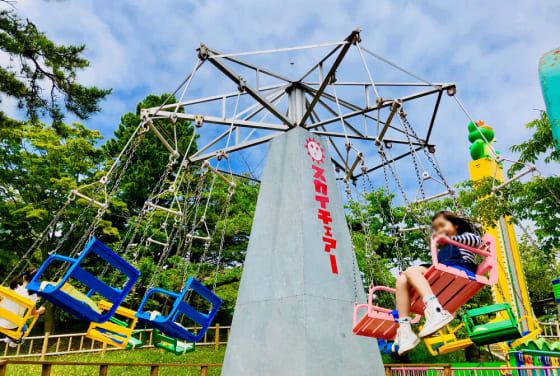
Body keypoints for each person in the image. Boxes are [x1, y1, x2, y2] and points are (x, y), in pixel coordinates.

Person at [393, 210, 483, 355]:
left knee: (411, 271)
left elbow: (477, 241)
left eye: (442, 225)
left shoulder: (467, 237)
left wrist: (444, 238)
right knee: (402, 279)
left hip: (459, 268)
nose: (439, 230)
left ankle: (435, 310)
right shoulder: (443, 248)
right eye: (436, 229)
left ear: (456, 225)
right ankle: (405, 330)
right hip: (443, 270)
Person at [0, 269, 46, 347]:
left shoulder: (12, 287)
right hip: (11, 325)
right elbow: (33, 313)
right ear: (37, 281)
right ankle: (15, 339)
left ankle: (11, 338)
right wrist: (41, 311)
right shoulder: (32, 295)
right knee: (24, 327)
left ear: (24, 277)